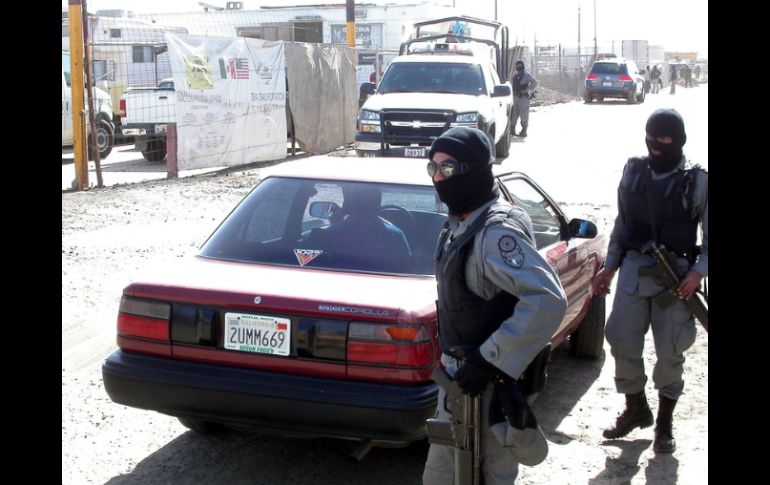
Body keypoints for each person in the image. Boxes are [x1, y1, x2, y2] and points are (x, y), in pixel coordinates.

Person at [422, 127, 567, 484]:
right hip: (460, 381)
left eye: (449, 169)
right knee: (442, 476)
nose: (439, 178)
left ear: (474, 170)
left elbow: (547, 300)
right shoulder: (462, 223)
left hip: (489, 390)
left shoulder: (495, 232)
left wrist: (490, 359)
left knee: (486, 476)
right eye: (433, 169)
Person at [592, 109, 708, 454]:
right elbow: (622, 223)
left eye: (665, 139)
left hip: (675, 279)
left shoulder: (697, 180)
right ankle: (636, 407)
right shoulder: (634, 170)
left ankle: (664, 424)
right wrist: (608, 266)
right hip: (633, 270)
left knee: (670, 351)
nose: (656, 145)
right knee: (620, 338)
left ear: (679, 140)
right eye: (651, 137)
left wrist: (697, 272)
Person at [306, 184, 412, 271]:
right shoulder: (395, 235)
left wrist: (334, 225)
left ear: (347, 205)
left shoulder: (325, 235)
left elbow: (305, 263)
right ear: (377, 205)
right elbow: (405, 268)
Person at [510, 60, 538, 138]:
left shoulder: (526, 75)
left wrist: (527, 89)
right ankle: (512, 129)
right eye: (517, 65)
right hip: (515, 97)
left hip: (523, 98)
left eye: (520, 65)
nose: (518, 67)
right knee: (514, 114)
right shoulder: (514, 75)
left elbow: (534, 82)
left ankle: (524, 130)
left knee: (524, 114)